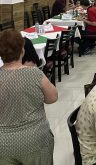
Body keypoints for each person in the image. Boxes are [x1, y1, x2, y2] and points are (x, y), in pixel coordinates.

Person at [0, 29, 58, 165]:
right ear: (22, 50)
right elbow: (52, 98)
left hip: (3, 143)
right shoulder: (34, 74)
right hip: (35, 139)